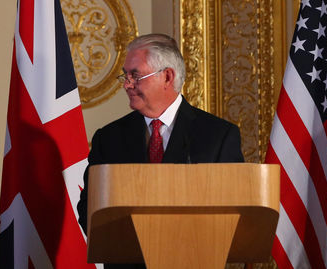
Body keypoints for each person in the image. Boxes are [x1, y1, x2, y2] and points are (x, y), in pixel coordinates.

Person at [76, 33, 243, 268]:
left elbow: (231, 212)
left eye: (135, 75)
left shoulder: (218, 136)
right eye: (125, 75)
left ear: (167, 76)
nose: (126, 84)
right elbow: (89, 209)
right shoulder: (109, 138)